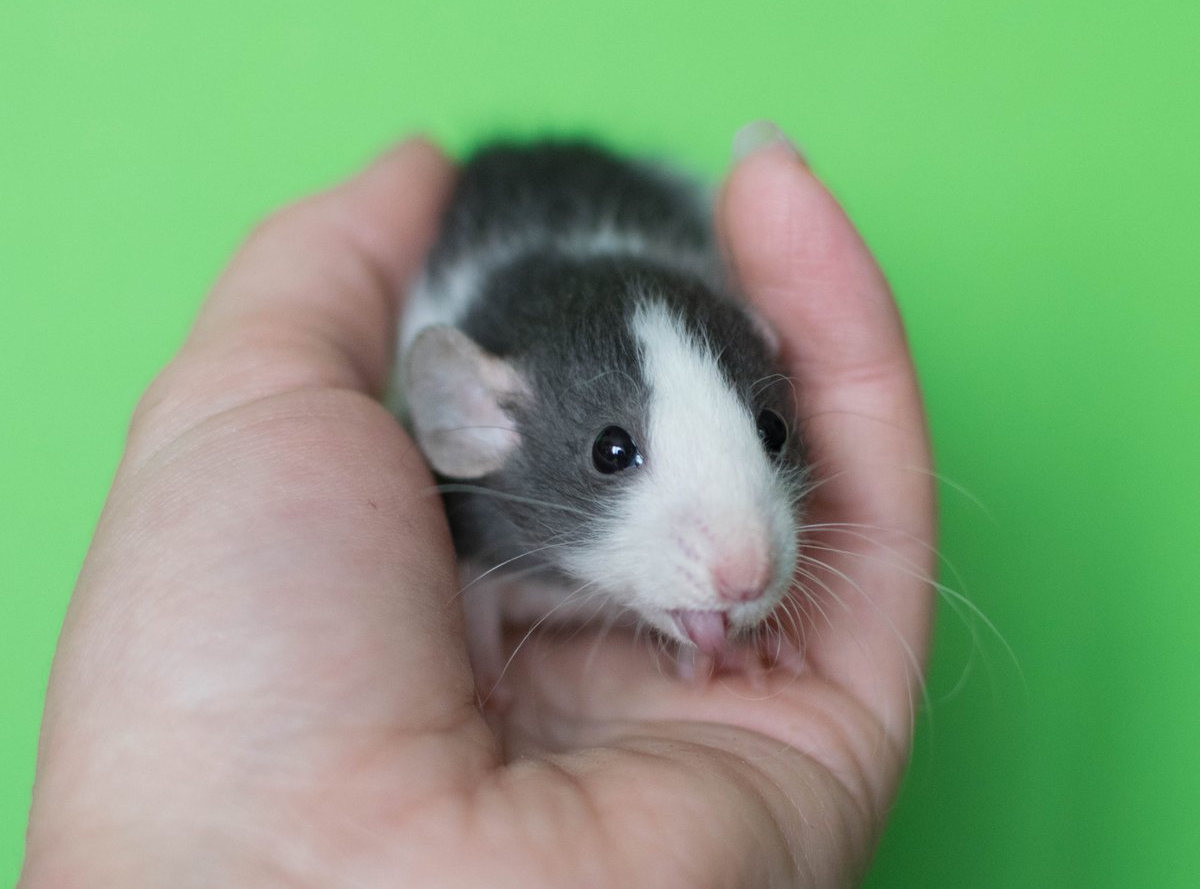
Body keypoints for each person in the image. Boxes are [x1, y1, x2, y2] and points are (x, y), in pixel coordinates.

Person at [20, 125, 934, 887]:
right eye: (616, 455)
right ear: (474, 419)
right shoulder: (460, 468)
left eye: (771, 435)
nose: (749, 565)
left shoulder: (728, 350)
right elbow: (481, 567)